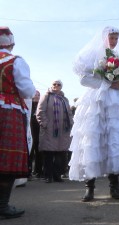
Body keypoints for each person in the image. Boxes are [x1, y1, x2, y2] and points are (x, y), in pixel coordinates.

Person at [69, 26, 119, 202]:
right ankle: (89, 188)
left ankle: (114, 187)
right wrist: (107, 83)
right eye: (111, 38)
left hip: (115, 103)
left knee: (114, 141)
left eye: (115, 38)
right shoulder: (92, 55)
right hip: (96, 101)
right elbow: (84, 80)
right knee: (92, 141)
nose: (113, 41)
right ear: (104, 38)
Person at [0, 26, 36, 219]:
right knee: (7, 158)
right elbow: (27, 90)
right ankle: (2, 205)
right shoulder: (15, 61)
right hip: (8, 110)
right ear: (12, 43)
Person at [36, 80, 73, 183]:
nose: (56, 86)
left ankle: (57, 175)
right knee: (48, 154)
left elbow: (69, 113)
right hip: (49, 130)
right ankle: (48, 176)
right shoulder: (46, 96)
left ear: (61, 86)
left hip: (63, 131)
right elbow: (40, 111)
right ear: (51, 85)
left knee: (60, 154)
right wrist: (45, 124)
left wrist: (71, 124)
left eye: (59, 84)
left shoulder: (64, 99)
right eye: (54, 84)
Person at [30, 90, 42, 179]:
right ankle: (28, 171)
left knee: (39, 152)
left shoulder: (41, 106)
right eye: (35, 94)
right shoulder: (28, 104)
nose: (36, 96)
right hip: (30, 133)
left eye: (38, 95)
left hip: (40, 133)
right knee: (30, 152)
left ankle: (38, 171)